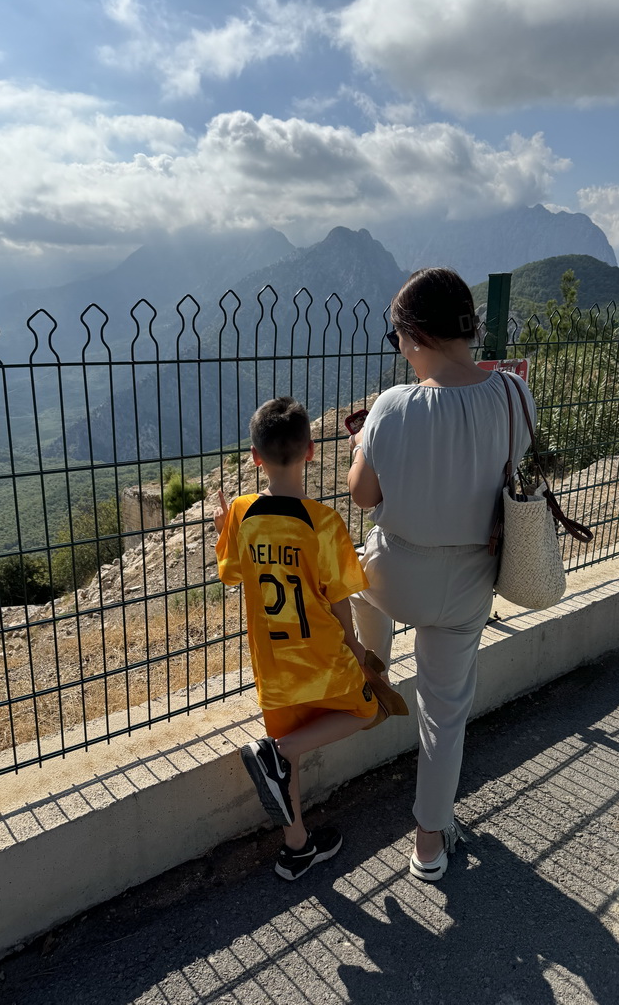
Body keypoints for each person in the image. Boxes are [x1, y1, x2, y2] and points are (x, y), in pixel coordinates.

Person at [347, 267, 535, 881]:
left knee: (362, 567)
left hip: (393, 577)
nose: (398, 350)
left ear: (415, 334)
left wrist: (364, 447)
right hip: (468, 583)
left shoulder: (391, 407)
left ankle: (369, 670)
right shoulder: (514, 396)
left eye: (397, 337)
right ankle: (429, 842)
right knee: (444, 711)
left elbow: (364, 497)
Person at [214, 396, 379, 880]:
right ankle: (278, 756)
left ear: (254, 456)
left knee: (285, 751)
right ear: (310, 451)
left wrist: (224, 529)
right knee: (364, 709)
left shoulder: (243, 513)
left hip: (274, 663)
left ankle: (296, 846)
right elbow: (341, 598)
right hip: (323, 656)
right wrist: (356, 648)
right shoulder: (325, 523)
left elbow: (231, 576)